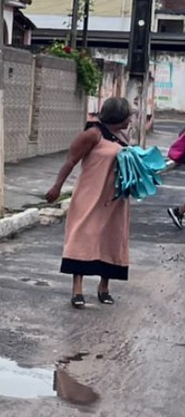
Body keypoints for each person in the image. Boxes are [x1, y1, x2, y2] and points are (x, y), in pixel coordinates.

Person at [46, 97, 136, 307]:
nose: (130, 119)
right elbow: (71, 160)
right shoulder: (93, 134)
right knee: (83, 237)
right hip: (90, 194)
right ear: (117, 115)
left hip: (115, 199)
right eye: (127, 115)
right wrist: (57, 187)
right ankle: (77, 289)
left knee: (111, 239)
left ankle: (104, 287)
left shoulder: (122, 136)